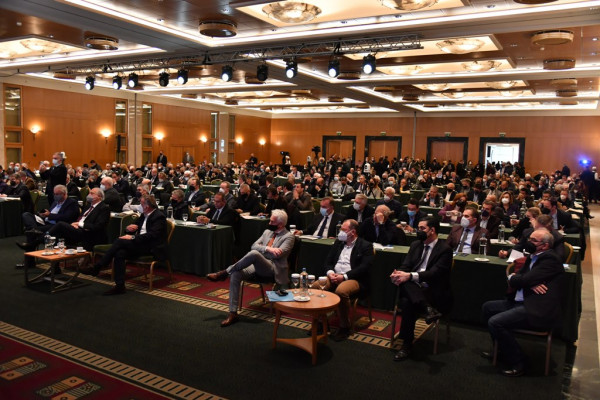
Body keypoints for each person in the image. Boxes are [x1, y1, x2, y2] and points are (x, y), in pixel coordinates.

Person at [481, 229, 564, 377]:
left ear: (545, 245)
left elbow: (522, 279)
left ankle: (519, 362)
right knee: (488, 308)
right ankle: (502, 350)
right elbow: (519, 277)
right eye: (529, 239)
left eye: (533, 240)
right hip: (522, 300)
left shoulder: (550, 260)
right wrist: (527, 282)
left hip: (537, 307)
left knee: (496, 322)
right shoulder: (533, 256)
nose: (528, 242)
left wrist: (524, 281)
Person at [206, 210, 294, 327]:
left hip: (274, 268)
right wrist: (268, 249)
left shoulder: (289, 237)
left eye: (272, 221)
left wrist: (263, 250)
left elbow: (277, 255)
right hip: (256, 265)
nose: (269, 223)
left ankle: (224, 273)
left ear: (281, 224)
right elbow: (253, 246)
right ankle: (233, 313)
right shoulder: (267, 232)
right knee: (236, 273)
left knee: (254, 254)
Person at [390, 217, 453, 361]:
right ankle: (428, 309)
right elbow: (406, 265)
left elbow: (435, 274)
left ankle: (406, 345)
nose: (419, 231)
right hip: (415, 287)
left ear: (432, 230)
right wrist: (398, 273)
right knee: (405, 287)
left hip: (433, 289)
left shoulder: (445, 250)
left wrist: (409, 276)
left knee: (407, 301)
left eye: (422, 228)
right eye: (418, 228)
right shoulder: (415, 245)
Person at [82, 194, 167, 295]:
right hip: (140, 243)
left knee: (119, 241)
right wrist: (129, 229)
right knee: (120, 253)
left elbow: (152, 235)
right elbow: (135, 227)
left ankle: (98, 267)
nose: (139, 206)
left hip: (151, 246)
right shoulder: (144, 214)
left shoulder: (159, 217)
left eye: (141, 204)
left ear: (146, 206)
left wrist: (133, 237)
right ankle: (120, 286)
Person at [318, 219, 373, 341]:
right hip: (334, 275)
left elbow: (364, 268)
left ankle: (344, 326)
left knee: (341, 291)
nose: (340, 232)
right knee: (317, 286)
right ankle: (322, 322)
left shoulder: (365, 245)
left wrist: (344, 276)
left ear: (353, 232)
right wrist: (330, 273)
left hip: (354, 278)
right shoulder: (338, 243)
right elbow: (328, 262)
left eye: (343, 230)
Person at [19, 184, 80, 250]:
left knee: (30, 232)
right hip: (45, 220)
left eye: (57, 194)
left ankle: (31, 244)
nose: (55, 196)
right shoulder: (55, 202)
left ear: (64, 194)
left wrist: (50, 215)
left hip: (55, 225)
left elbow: (67, 217)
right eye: (54, 194)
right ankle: (33, 229)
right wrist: (44, 214)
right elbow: (50, 212)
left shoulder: (72, 203)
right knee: (26, 214)